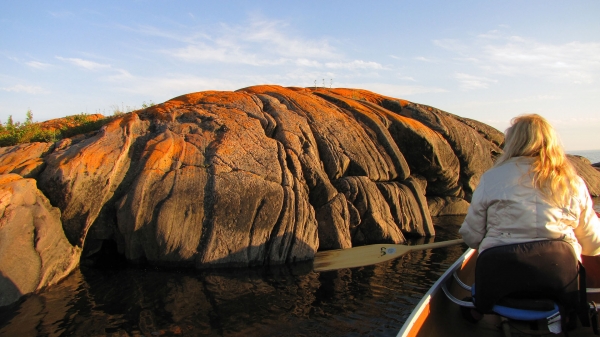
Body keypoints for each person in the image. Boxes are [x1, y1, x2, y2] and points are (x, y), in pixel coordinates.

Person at [459, 113, 600, 258]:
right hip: (559, 272)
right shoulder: (573, 183)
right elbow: (593, 246)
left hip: (501, 270)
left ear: (512, 143)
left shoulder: (491, 178)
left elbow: (472, 238)